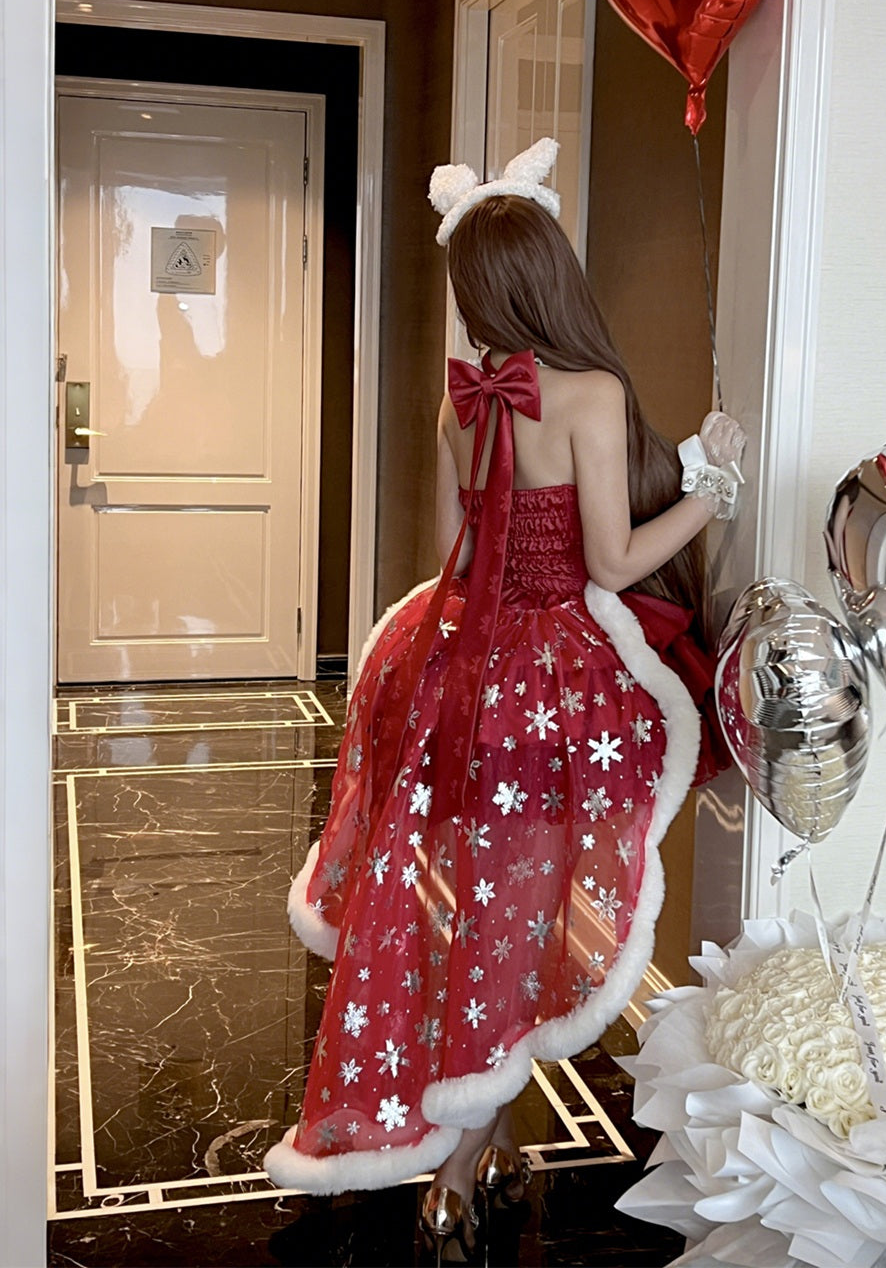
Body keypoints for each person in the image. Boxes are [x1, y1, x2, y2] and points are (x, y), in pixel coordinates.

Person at [264, 138, 745, 1262]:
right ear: (549, 274)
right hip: (547, 677)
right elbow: (614, 567)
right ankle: (467, 1148)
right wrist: (712, 485)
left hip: (445, 662)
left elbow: (464, 548)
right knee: (520, 907)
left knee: (443, 901)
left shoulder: (461, 403)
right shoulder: (587, 389)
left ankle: (449, 1141)